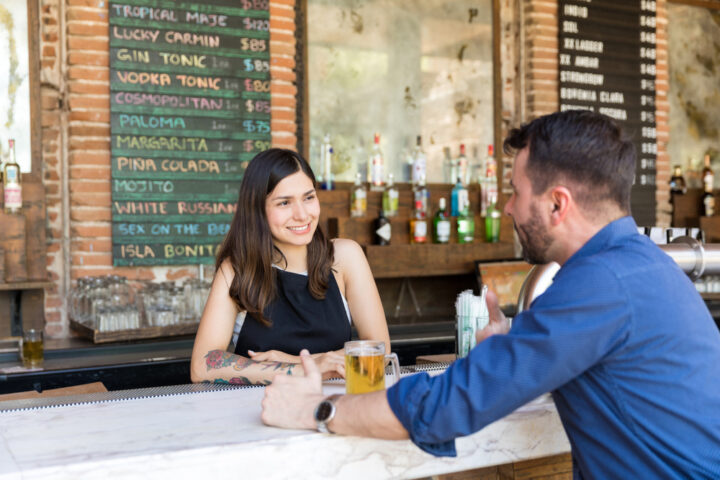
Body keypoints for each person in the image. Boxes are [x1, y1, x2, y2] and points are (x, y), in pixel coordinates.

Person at [261, 111, 720, 478]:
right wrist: (514, 344)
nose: (507, 208)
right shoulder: (637, 264)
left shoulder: (600, 283)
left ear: (558, 203)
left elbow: (448, 407)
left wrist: (315, 409)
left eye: (515, 193)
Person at [191, 148, 390, 385]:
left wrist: (298, 361)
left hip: (337, 406)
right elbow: (202, 366)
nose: (302, 214)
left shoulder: (345, 257)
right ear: (257, 210)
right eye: (284, 203)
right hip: (261, 411)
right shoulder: (236, 269)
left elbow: (380, 351)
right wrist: (303, 369)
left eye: (308, 197)